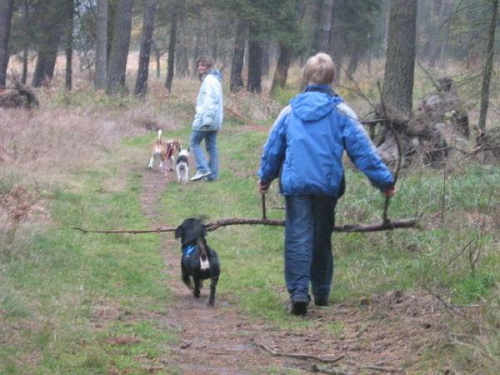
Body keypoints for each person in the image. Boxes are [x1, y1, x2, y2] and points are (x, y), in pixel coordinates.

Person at [257, 53, 395, 316]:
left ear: (306, 77)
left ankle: (299, 293)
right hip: (327, 185)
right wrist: (384, 181)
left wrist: (265, 177)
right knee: (321, 237)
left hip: (296, 185)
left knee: (297, 237)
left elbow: (273, 149)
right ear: (332, 79)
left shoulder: (290, 111)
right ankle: (320, 292)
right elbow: (363, 151)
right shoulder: (341, 112)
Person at [189, 55, 224, 182]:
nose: (200, 67)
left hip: (207, 120)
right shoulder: (215, 79)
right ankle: (212, 175)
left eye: (203, 65)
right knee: (212, 147)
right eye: (199, 65)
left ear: (209, 66)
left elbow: (209, 100)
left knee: (194, 142)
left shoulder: (209, 80)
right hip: (215, 120)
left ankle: (203, 169)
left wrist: (207, 120)